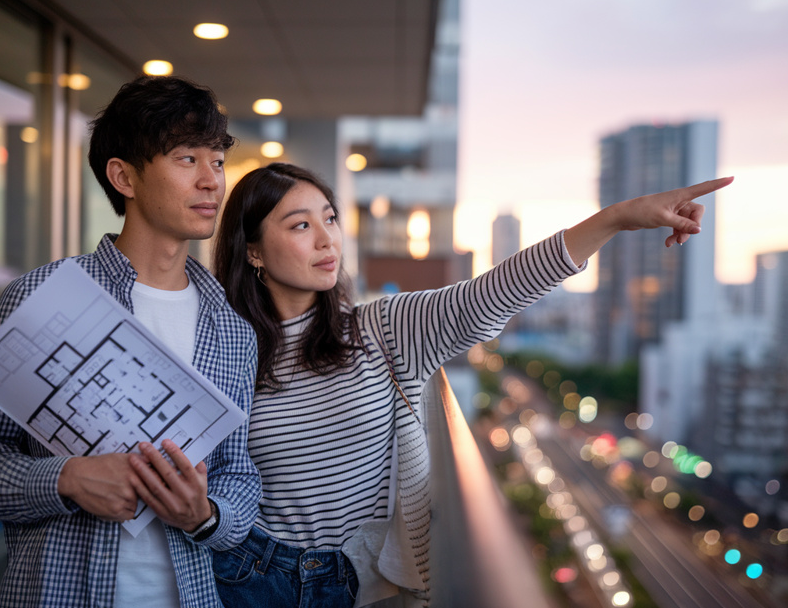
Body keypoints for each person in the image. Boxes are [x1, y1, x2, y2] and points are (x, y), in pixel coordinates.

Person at [210, 162, 733, 608]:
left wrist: (618, 218)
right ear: (253, 251)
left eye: (330, 218)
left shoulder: (382, 328)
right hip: (257, 584)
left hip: (369, 587)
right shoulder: (223, 353)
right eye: (300, 225)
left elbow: (493, 292)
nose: (327, 239)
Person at [0, 76, 260, 608]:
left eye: (218, 161)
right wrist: (66, 478)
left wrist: (204, 516)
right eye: (187, 159)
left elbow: (239, 475)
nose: (212, 181)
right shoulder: (45, 296)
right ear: (124, 177)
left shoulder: (232, 329)